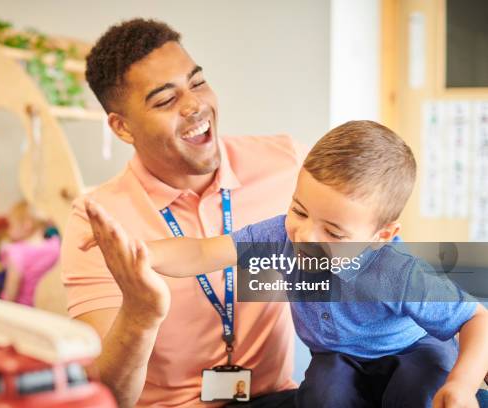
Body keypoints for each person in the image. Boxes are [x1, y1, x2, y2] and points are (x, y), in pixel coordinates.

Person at [81, 120, 488, 408]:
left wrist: (463, 385)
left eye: (334, 232)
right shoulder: (280, 236)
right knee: (324, 397)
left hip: (411, 349)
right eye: (299, 210)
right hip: (339, 354)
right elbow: (203, 253)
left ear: (381, 236)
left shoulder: (397, 272)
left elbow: (477, 319)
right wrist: (137, 250)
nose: (307, 235)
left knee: (420, 393)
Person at [61, 18, 306, 407]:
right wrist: (141, 315)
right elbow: (108, 397)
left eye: (197, 82)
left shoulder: (285, 163)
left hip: (276, 398)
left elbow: (376, 268)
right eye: (165, 100)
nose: (194, 105)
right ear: (122, 128)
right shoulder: (98, 220)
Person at [0, 201, 60, 306]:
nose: (8, 231)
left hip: (23, 311)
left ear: (27, 225)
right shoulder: (55, 247)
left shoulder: (16, 252)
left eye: (11, 225)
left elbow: (11, 293)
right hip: (49, 309)